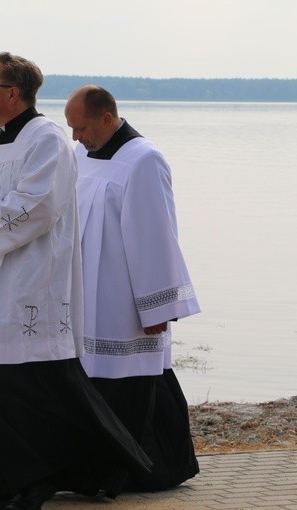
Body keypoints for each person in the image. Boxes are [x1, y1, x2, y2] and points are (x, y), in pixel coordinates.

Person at [0, 52, 152, 510]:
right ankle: (12, 487)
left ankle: (34, 485)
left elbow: (37, 205)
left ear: (12, 93)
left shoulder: (48, 141)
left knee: (28, 391)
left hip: (29, 283)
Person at [64, 84, 202, 491]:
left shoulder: (144, 159)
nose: (75, 136)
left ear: (107, 118)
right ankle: (93, 471)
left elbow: (156, 236)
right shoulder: (81, 154)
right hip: (86, 292)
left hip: (124, 297)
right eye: (71, 128)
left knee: (134, 381)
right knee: (90, 378)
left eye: (82, 126)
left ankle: (146, 469)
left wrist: (157, 308)